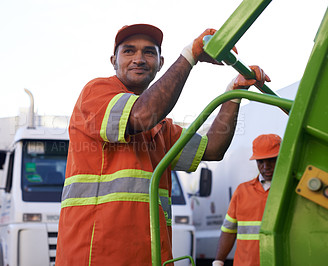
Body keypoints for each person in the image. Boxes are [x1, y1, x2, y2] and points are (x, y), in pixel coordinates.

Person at [56, 23, 270, 266]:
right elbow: (142, 114)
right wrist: (190, 55)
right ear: (113, 60)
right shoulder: (96, 93)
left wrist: (234, 92)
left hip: (151, 258)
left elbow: (213, 148)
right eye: (128, 51)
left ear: (160, 63)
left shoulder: (161, 128)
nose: (139, 59)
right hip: (95, 257)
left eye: (149, 52)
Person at [213, 133, 282, 266]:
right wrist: (218, 261)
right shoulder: (242, 191)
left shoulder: (292, 190)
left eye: (271, 160)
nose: (266, 166)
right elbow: (228, 230)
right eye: (260, 161)